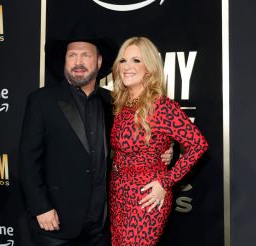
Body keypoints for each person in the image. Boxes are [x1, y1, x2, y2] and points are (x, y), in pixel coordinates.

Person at [19, 24, 173, 246]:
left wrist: (167, 149)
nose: (78, 62)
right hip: (56, 223)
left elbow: (141, 138)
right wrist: (41, 207)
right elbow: (27, 160)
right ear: (64, 61)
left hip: (101, 224)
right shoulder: (42, 101)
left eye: (85, 55)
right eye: (71, 55)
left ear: (99, 62)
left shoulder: (114, 102)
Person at [109, 36, 209, 245]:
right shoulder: (122, 104)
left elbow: (198, 145)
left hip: (147, 197)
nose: (127, 67)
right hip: (118, 192)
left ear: (150, 67)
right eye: (123, 60)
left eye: (136, 60)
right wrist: (169, 145)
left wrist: (166, 182)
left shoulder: (162, 107)